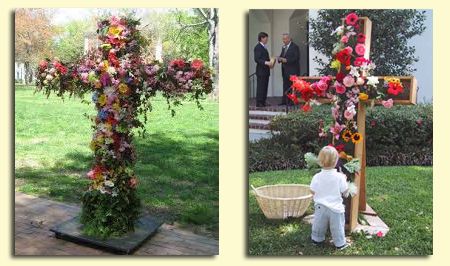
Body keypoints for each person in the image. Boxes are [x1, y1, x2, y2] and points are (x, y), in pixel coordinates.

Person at [309, 146, 350, 250]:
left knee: (318, 225)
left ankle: (316, 239)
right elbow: (345, 191)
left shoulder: (317, 177)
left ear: (319, 161)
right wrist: (345, 179)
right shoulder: (340, 177)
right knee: (338, 227)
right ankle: (340, 243)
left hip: (320, 207)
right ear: (336, 161)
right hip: (336, 208)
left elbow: (312, 191)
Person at [277, 33, 300, 105]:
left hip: (292, 70)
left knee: (292, 86)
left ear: (289, 39)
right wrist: (279, 59)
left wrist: (286, 60)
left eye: (285, 39)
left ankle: (291, 101)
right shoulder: (284, 47)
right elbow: (282, 56)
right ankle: (284, 101)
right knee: (285, 85)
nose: (284, 40)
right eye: (283, 39)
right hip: (284, 70)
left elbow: (296, 58)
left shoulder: (295, 47)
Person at [253, 32, 273, 107]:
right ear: (262, 38)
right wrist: (266, 62)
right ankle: (259, 102)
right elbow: (257, 59)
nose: (267, 40)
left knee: (265, 87)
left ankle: (263, 101)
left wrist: (271, 62)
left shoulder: (264, 47)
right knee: (261, 87)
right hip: (261, 71)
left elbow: (265, 58)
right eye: (266, 38)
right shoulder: (258, 47)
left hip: (265, 71)